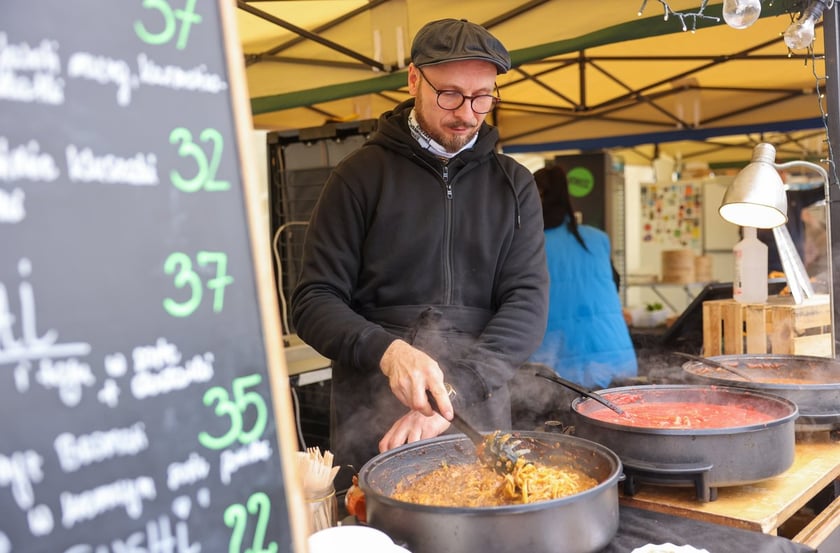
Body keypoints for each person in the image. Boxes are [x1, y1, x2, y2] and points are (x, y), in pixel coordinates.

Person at [291, 18, 549, 490]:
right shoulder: (357, 177)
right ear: (414, 79)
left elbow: (526, 306)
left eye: (483, 97)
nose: (468, 113)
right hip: (374, 417)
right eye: (449, 94)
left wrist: (454, 391)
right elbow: (312, 301)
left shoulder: (515, 185)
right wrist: (388, 352)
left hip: (477, 412)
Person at [528, 164, 637, 390]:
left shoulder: (530, 244)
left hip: (563, 369)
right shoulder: (597, 238)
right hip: (618, 359)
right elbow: (614, 284)